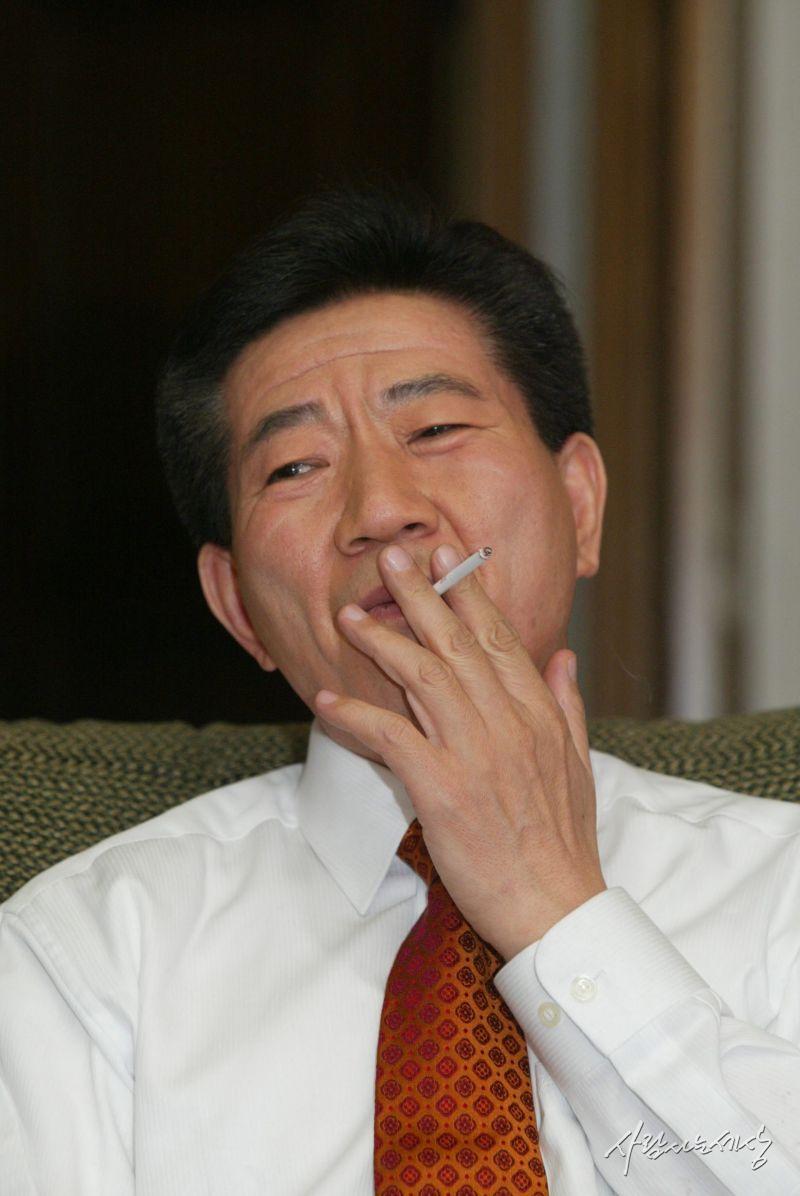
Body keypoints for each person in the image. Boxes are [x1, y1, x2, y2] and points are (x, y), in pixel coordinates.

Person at [1, 185, 799, 1196]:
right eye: (296, 465)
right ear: (236, 604)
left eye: (434, 429)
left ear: (580, 504)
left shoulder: (781, 886)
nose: (381, 509)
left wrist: (551, 904)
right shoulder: (87, 951)